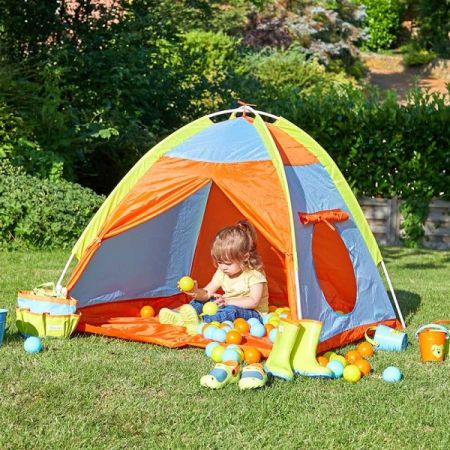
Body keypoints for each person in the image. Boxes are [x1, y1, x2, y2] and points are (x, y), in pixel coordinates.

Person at [159, 220, 269, 334]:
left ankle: (202, 322)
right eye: (219, 262)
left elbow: (253, 301)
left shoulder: (254, 274)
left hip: (253, 313)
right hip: (227, 303)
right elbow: (207, 293)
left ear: (245, 257)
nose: (223, 267)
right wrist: (196, 292)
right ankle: (181, 317)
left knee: (231, 311)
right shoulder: (222, 272)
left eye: (228, 263)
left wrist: (228, 301)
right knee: (202, 301)